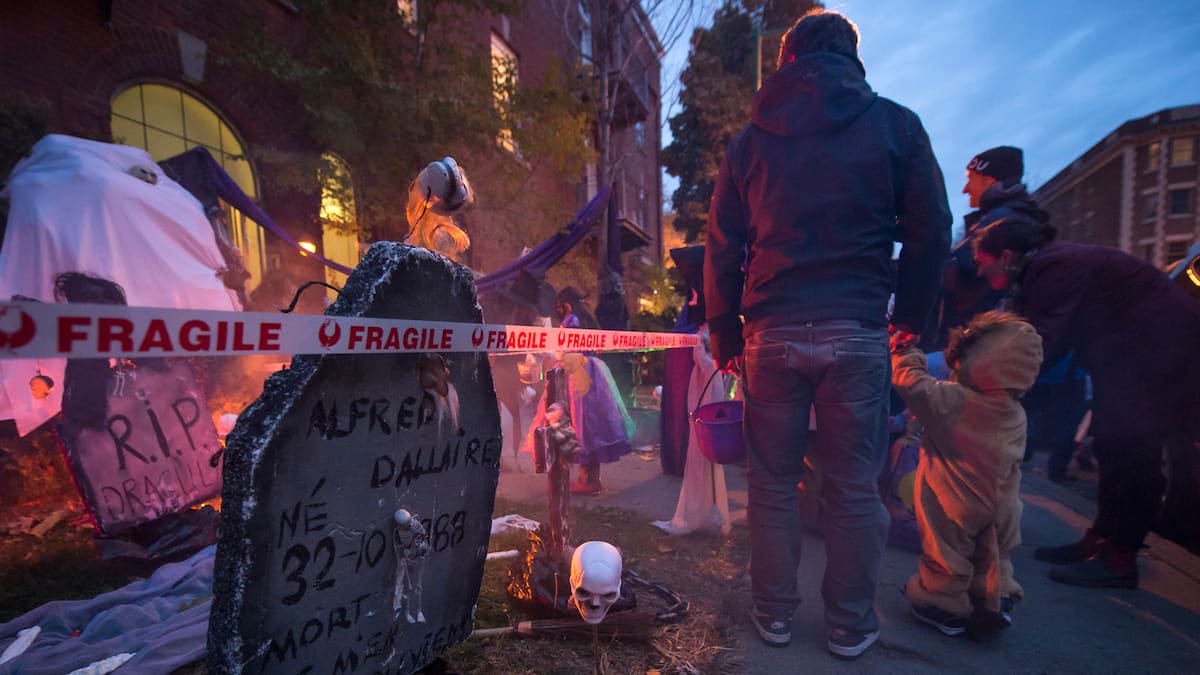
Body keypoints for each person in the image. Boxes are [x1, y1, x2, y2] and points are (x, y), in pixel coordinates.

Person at [703, 9, 951, 658]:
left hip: (773, 329)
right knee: (850, 485)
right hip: (857, 327)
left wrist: (726, 332)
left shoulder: (749, 143)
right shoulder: (896, 126)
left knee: (773, 481)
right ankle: (847, 622)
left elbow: (722, 245)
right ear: (853, 59)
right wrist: (911, 319)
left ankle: (774, 611)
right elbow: (932, 230)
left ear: (786, 60)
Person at [974, 217, 1200, 587]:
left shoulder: (1053, 266)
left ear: (1006, 255)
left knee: (1134, 449)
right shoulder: (1046, 267)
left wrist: (989, 381)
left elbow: (1043, 341)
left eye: (983, 261)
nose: (981, 271)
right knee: (1112, 444)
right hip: (1133, 354)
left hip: (1160, 355)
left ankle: (1120, 558)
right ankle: (1101, 539)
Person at [891, 311, 1042, 637]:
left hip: (954, 502)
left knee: (947, 556)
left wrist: (907, 354)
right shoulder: (1016, 413)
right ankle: (995, 598)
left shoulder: (955, 400)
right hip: (1004, 505)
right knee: (994, 555)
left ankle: (943, 605)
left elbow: (912, 384)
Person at [652, 323, 734, 536]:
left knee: (701, 446)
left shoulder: (700, 340)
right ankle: (702, 509)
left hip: (705, 382)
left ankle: (699, 511)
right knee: (703, 449)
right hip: (709, 379)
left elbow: (701, 356)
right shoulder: (705, 334)